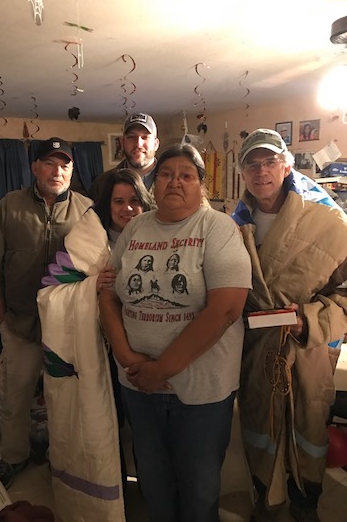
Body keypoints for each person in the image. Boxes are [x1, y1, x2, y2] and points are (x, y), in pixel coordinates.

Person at [99, 143, 252, 522]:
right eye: (166, 174)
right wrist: (126, 356)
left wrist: (161, 369)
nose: (175, 182)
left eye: (187, 175)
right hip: (138, 385)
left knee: (199, 488)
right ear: (154, 182)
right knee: (154, 482)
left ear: (201, 184)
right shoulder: (136, 228)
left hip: (201, 392)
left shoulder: (218, 228)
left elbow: (226, 309)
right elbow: (107, 294)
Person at [232, 128, 347, 522]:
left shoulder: (329, 221)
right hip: (254, 352)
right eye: (252, 164)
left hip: (306, 351)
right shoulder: (232, 226)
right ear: (242, 173)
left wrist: (309, 320)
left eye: (269, 162)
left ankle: (304, 504)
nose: (261, 171)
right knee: (258, 427)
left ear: (286, 167)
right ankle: (265, 501)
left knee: (307, 432)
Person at [36, 169, 154, 521]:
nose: (127, 208)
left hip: (147, 350)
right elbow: (49, 293)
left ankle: (153, 491)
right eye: (118, 201)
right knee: (108, 427)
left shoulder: (156, 235)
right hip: (99, 355)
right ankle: (111, 494)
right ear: (107, 205)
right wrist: (92, 287)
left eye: (134, 200)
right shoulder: (86, 240)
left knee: (147, 431)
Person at [0, 137, 92, 489]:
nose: (57, 172)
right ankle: (14, 456)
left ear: (72, 171)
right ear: (35, 168)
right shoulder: (10, 205)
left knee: (66, 401)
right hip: (19, 324)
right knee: (15, 399)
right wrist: (1, 315)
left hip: (67, 330)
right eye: (49, 163)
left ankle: (64, 462)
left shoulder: (87, 210)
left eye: (64, 166)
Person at [88, 112, 160, 202]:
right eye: (131, 137)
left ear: (156, 144)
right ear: (122, 143)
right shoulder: (102, 183)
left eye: (145, 137)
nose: (138, 144)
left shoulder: (172, 181)